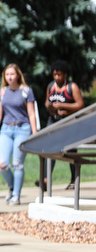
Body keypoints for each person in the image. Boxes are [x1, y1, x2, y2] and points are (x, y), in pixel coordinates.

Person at [0, 64, 38, 205]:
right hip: (6, 130)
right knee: (2, 164)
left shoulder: (26, 91)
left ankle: (16, 195)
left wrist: (34, 133)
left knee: (17, 164)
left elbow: (31, 113)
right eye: (7, 74)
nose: (9, 77)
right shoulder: (2, 92)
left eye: (12, 74)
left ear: (18, 75)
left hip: (22, 129)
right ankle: (12, 187)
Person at [42, 60, 85, 190]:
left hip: (69, 123)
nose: (56, 77)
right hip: (54, 120)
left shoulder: (72, 87)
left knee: (71, 151)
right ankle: (45, 179)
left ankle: (74, 180)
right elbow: (46, 102)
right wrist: (49, 106)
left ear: (65, 74)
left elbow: (80, 105)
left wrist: (63, 106)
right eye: (54, 74)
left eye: (59, 74)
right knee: (50, 149)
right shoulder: (51, 86)